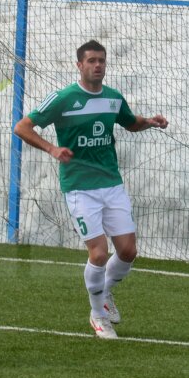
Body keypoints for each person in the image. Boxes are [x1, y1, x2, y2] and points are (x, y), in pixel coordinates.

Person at [14, 40, 168, 340]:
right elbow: (22, 127)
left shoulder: (112, 97)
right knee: (99, 254)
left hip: (111, 184)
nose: (98, 65)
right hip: (80, 188)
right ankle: (98, 315)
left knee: (128, 251)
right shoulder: (64, 98)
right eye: (92, 61)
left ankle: (106, 293)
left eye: (102, 61)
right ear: (79, 65)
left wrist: (149, 122)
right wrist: (52, 148)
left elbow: (129, 122)